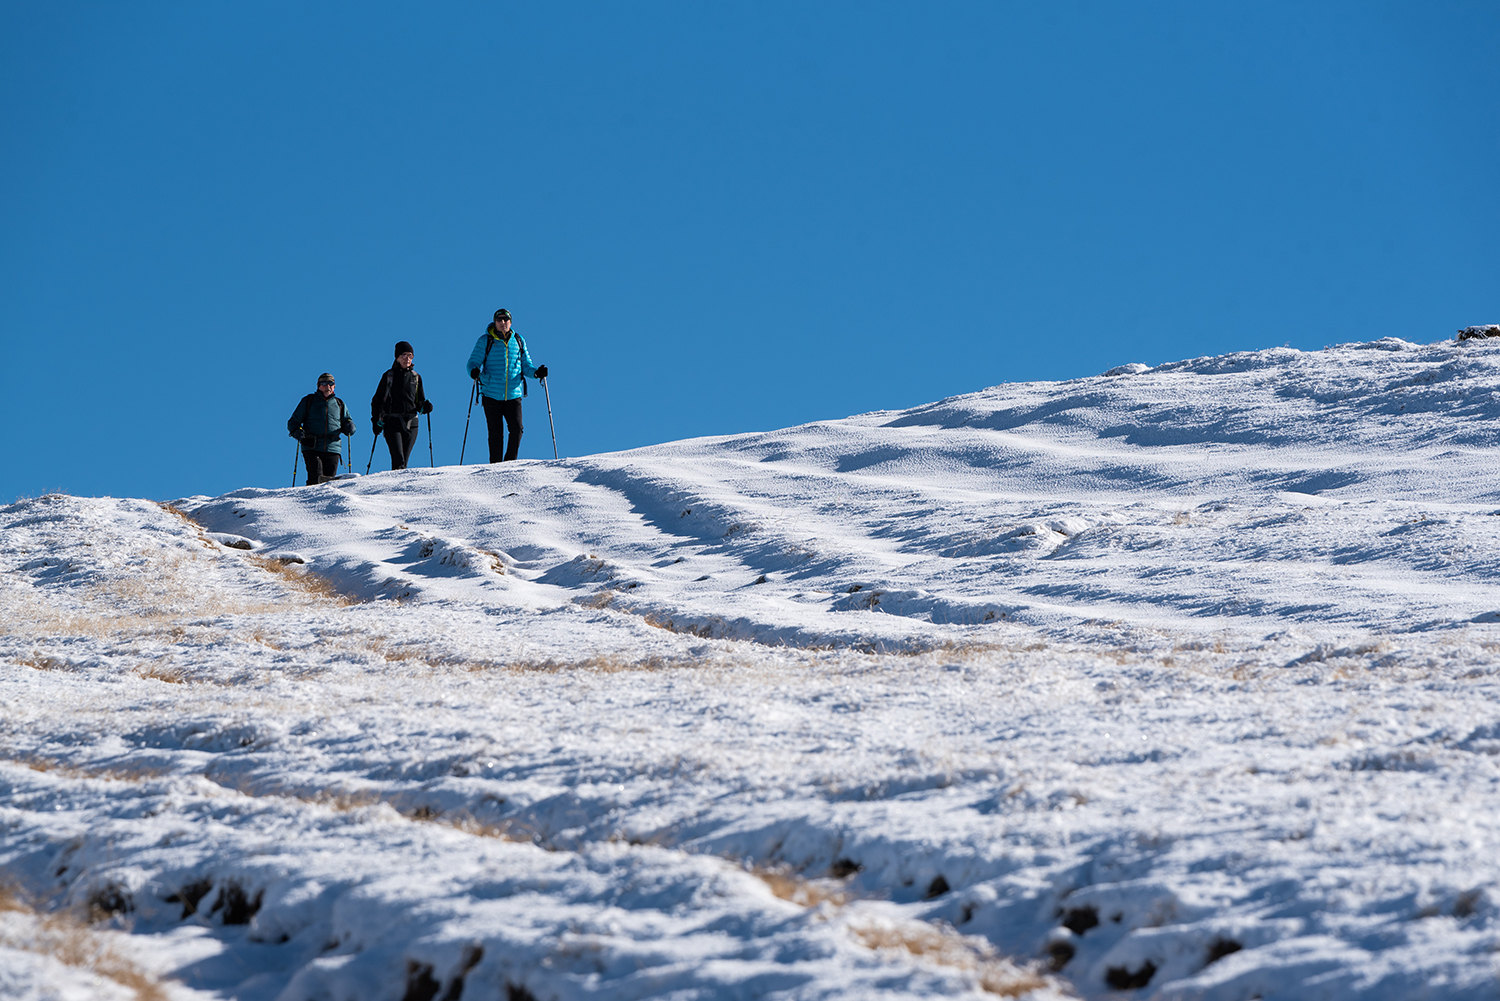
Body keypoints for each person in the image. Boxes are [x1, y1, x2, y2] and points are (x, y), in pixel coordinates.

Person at [467, 308, 547, 462]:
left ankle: (510, 463)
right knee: (496, 433)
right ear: (494, 322)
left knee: (517, 429)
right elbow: (472, 362)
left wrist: (537, 373)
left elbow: (526, 366)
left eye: (505, 320)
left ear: (510, 322)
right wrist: (474, 372)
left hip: (513, 394)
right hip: (491, 394)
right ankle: (496, 466)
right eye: (499, 320)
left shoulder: (518, 340)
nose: (502, 323)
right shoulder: (486, 340)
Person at [370, 340, 432, 470]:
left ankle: (400, 487)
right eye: (404, 355)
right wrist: (375, 421)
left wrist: (425, 407)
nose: (407, 359)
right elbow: (377, 401)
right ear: (397, 357)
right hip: (391, 422)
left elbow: (419, 401)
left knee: (404, 459)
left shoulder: (416, 377)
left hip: (412, 423)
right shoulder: (388, 376)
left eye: (410, 356)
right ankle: (396, 488)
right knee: (398, 459)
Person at [287, 373, 355, 485]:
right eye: (324, 383)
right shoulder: (308, 401)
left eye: (331, 383)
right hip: (311, 445)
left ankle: (326, 501)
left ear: (334, 386)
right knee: (315, 476)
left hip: (333, 447)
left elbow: (348, 422)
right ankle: (312, 500)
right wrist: (296, 431)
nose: (327, 386)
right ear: (318, 385)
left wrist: (350, 426)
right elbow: (293, 422)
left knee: (330, 481)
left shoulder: (339, 403)